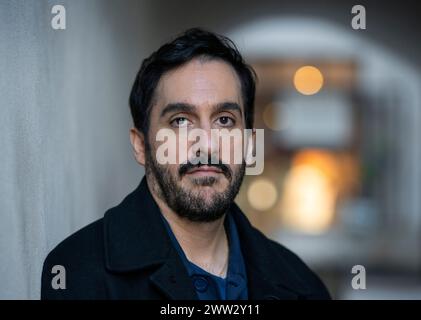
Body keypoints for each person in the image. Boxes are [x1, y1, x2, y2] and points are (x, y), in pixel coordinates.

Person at [41, 28, 331, 300]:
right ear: (141, 145)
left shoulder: (301, 284)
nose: (207, 144)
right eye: (180, 121)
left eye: (225, 120)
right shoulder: (77, 273)